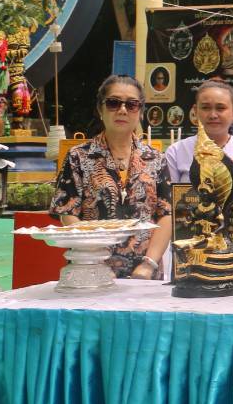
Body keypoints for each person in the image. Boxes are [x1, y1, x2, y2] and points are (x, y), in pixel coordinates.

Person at [50, 75, 173, 279]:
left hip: (144, 275)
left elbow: (166, 214)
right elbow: (67, 212)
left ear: (140, 112)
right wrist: (94, 260)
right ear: (100, 109)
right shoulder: (78, 157)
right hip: (90, 270)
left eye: (132, 104)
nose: (122, 110)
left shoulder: (156, 159)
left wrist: (149, 264)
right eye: (113, 103)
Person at [164, 80, 233, 185]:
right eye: (205, 108)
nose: (213, 115)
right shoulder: (176, 152)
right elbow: (169, 197)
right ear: (195, 111)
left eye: (220, 108)